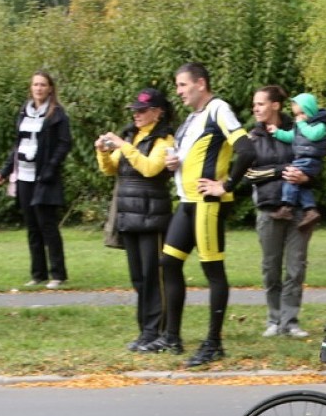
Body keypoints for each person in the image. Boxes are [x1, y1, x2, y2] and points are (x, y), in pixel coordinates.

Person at [150, 62, 256, 367]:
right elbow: (191, 156)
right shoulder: (192, 118)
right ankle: (172, 337)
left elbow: (247, 150)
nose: (179, 91)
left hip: (207, 203)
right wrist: (175, 164)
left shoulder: (218, 109)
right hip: (187, 202)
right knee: (168, 262)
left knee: (213, 271)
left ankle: (214, 343)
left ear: (200, 84)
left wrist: (226, 185)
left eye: (183, 85)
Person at [96, 88, 177, 352]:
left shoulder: (164, 140)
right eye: (135, 111)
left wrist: (123, 145)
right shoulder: (132, 136)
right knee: (139, 278)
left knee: (154, 276)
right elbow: (110, 169)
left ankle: (158, 332)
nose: (137, 115)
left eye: (142, 111)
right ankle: (145, 331)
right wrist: (103, 151)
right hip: (129, 215)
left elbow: (150, 168)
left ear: (157, 112)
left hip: (152, 216)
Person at [244, 85, 314, 338]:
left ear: (275, 105)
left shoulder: (298, 130)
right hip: (268, 212)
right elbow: (247, 174)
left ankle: (291, 321)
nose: (256, 109)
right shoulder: (252, 137)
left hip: (298, 211)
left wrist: (305, 176)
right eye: (255, 105)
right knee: (270, 268)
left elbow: (313, 162)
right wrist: (280, 170)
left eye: (260, 104)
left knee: (296, 268)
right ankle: (274, 320)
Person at [0, 71, 71, 289]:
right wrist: (4, 172)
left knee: (48, 225)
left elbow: (64, 144)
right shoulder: (23, 112)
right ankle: (38, 274)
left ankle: (58, 274)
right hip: (23, 176)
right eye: (35, 84)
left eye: (43, 85)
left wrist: (50, 169)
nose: (39, 88)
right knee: (32, 227)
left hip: (44, 178)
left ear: (50, 88)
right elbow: (17, 147)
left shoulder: (58, 114)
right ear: (31, 88)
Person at [267, 92, 326, 231]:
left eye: (301, 112)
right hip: (303, 158)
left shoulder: (321, 124)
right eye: (297, 114)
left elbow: (313, 135)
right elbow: (292, 137)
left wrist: (301, 123)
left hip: (311, 159)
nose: (299, 117)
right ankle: (311, 210)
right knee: (301, 184)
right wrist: (277, 132)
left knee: (290, 176)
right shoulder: (301, 123)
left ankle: (287, 207)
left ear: (308, 109)